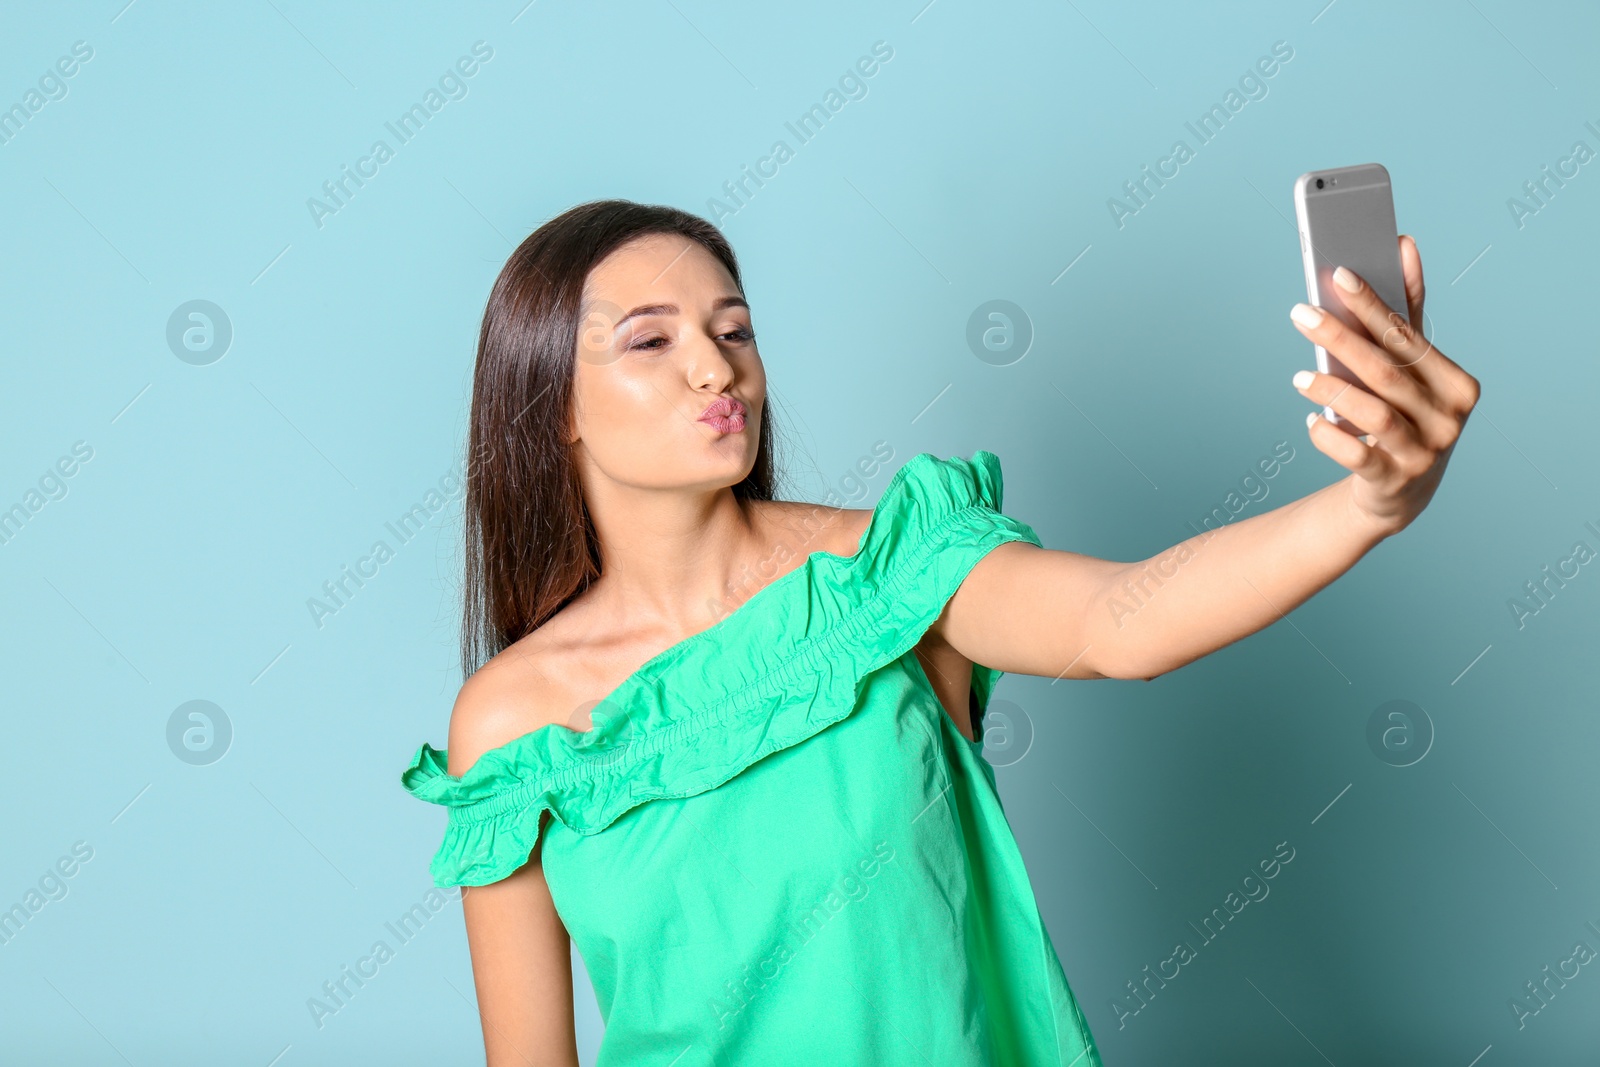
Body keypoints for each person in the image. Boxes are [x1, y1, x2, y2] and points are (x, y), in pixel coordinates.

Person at [400, 199, 1478, 1064]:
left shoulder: (892, 569)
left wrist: (1368, 504)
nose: (716, 367)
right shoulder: (511, 722)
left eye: (735, 328)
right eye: (653, 339)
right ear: (555, 406)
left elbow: (1122, 620)